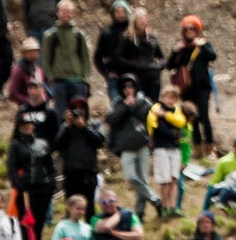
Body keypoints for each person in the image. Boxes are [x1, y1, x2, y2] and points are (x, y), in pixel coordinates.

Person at [106, 80, 158, 221]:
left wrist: (133, 105)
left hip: (142, 143)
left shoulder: (143, 101)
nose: (128, 89)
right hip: (126, 145)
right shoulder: (117, 103)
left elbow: (149, 116)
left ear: (136, 87)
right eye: (125, 87)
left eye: (131, 86)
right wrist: (125, 106)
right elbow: (111, 119)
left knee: (143, 179)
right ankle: (155, 200)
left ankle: (139, 213)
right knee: (130, 177)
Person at [166, 18, 218, 145]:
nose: (189, 31)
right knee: (191, 117)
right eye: (187, 29)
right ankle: (197, 145)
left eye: (192, 28)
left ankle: (209, 145)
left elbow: (212, 56)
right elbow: (169, 65)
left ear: (197, 30)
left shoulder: (203, 44)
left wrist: (201, 45)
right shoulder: (181, 47)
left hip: (202, 87)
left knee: (204, 117)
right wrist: (175, 51)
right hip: (186, 89)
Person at [44, 0, 95, 115]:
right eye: (64, 11)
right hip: (59, 81)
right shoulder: (50, 35)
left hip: (77, 80)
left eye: (69, 11)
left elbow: (85, 58)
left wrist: (84, 77)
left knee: (80, 113)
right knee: (61, 114)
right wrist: (50, 76)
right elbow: (46, 59)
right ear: (58, 13)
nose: (67, 14)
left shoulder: (78, 35)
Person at [147, 89, 189, 218]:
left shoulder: (175, 111)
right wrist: (175, 135)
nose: (170, 100)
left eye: (173, 98)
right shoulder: (156, 109)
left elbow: (181, 126)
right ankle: (164, 206)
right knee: (165, 180)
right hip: (162, 148)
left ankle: (173, 207)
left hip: (175, 149)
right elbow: (160, 130)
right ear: (163, 97)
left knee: (174, 179)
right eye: (168, 97)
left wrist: (165, 116)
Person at [56, 109, 105, 215]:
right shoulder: (66, 127)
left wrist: (85, 127)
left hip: (88, 173)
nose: (77, 113)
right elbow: (58, 145)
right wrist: (68, 127)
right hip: (71, 172)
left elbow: (100, 141)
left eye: (81, 108)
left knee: (89, 208)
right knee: (70, 207)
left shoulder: (94, 124)